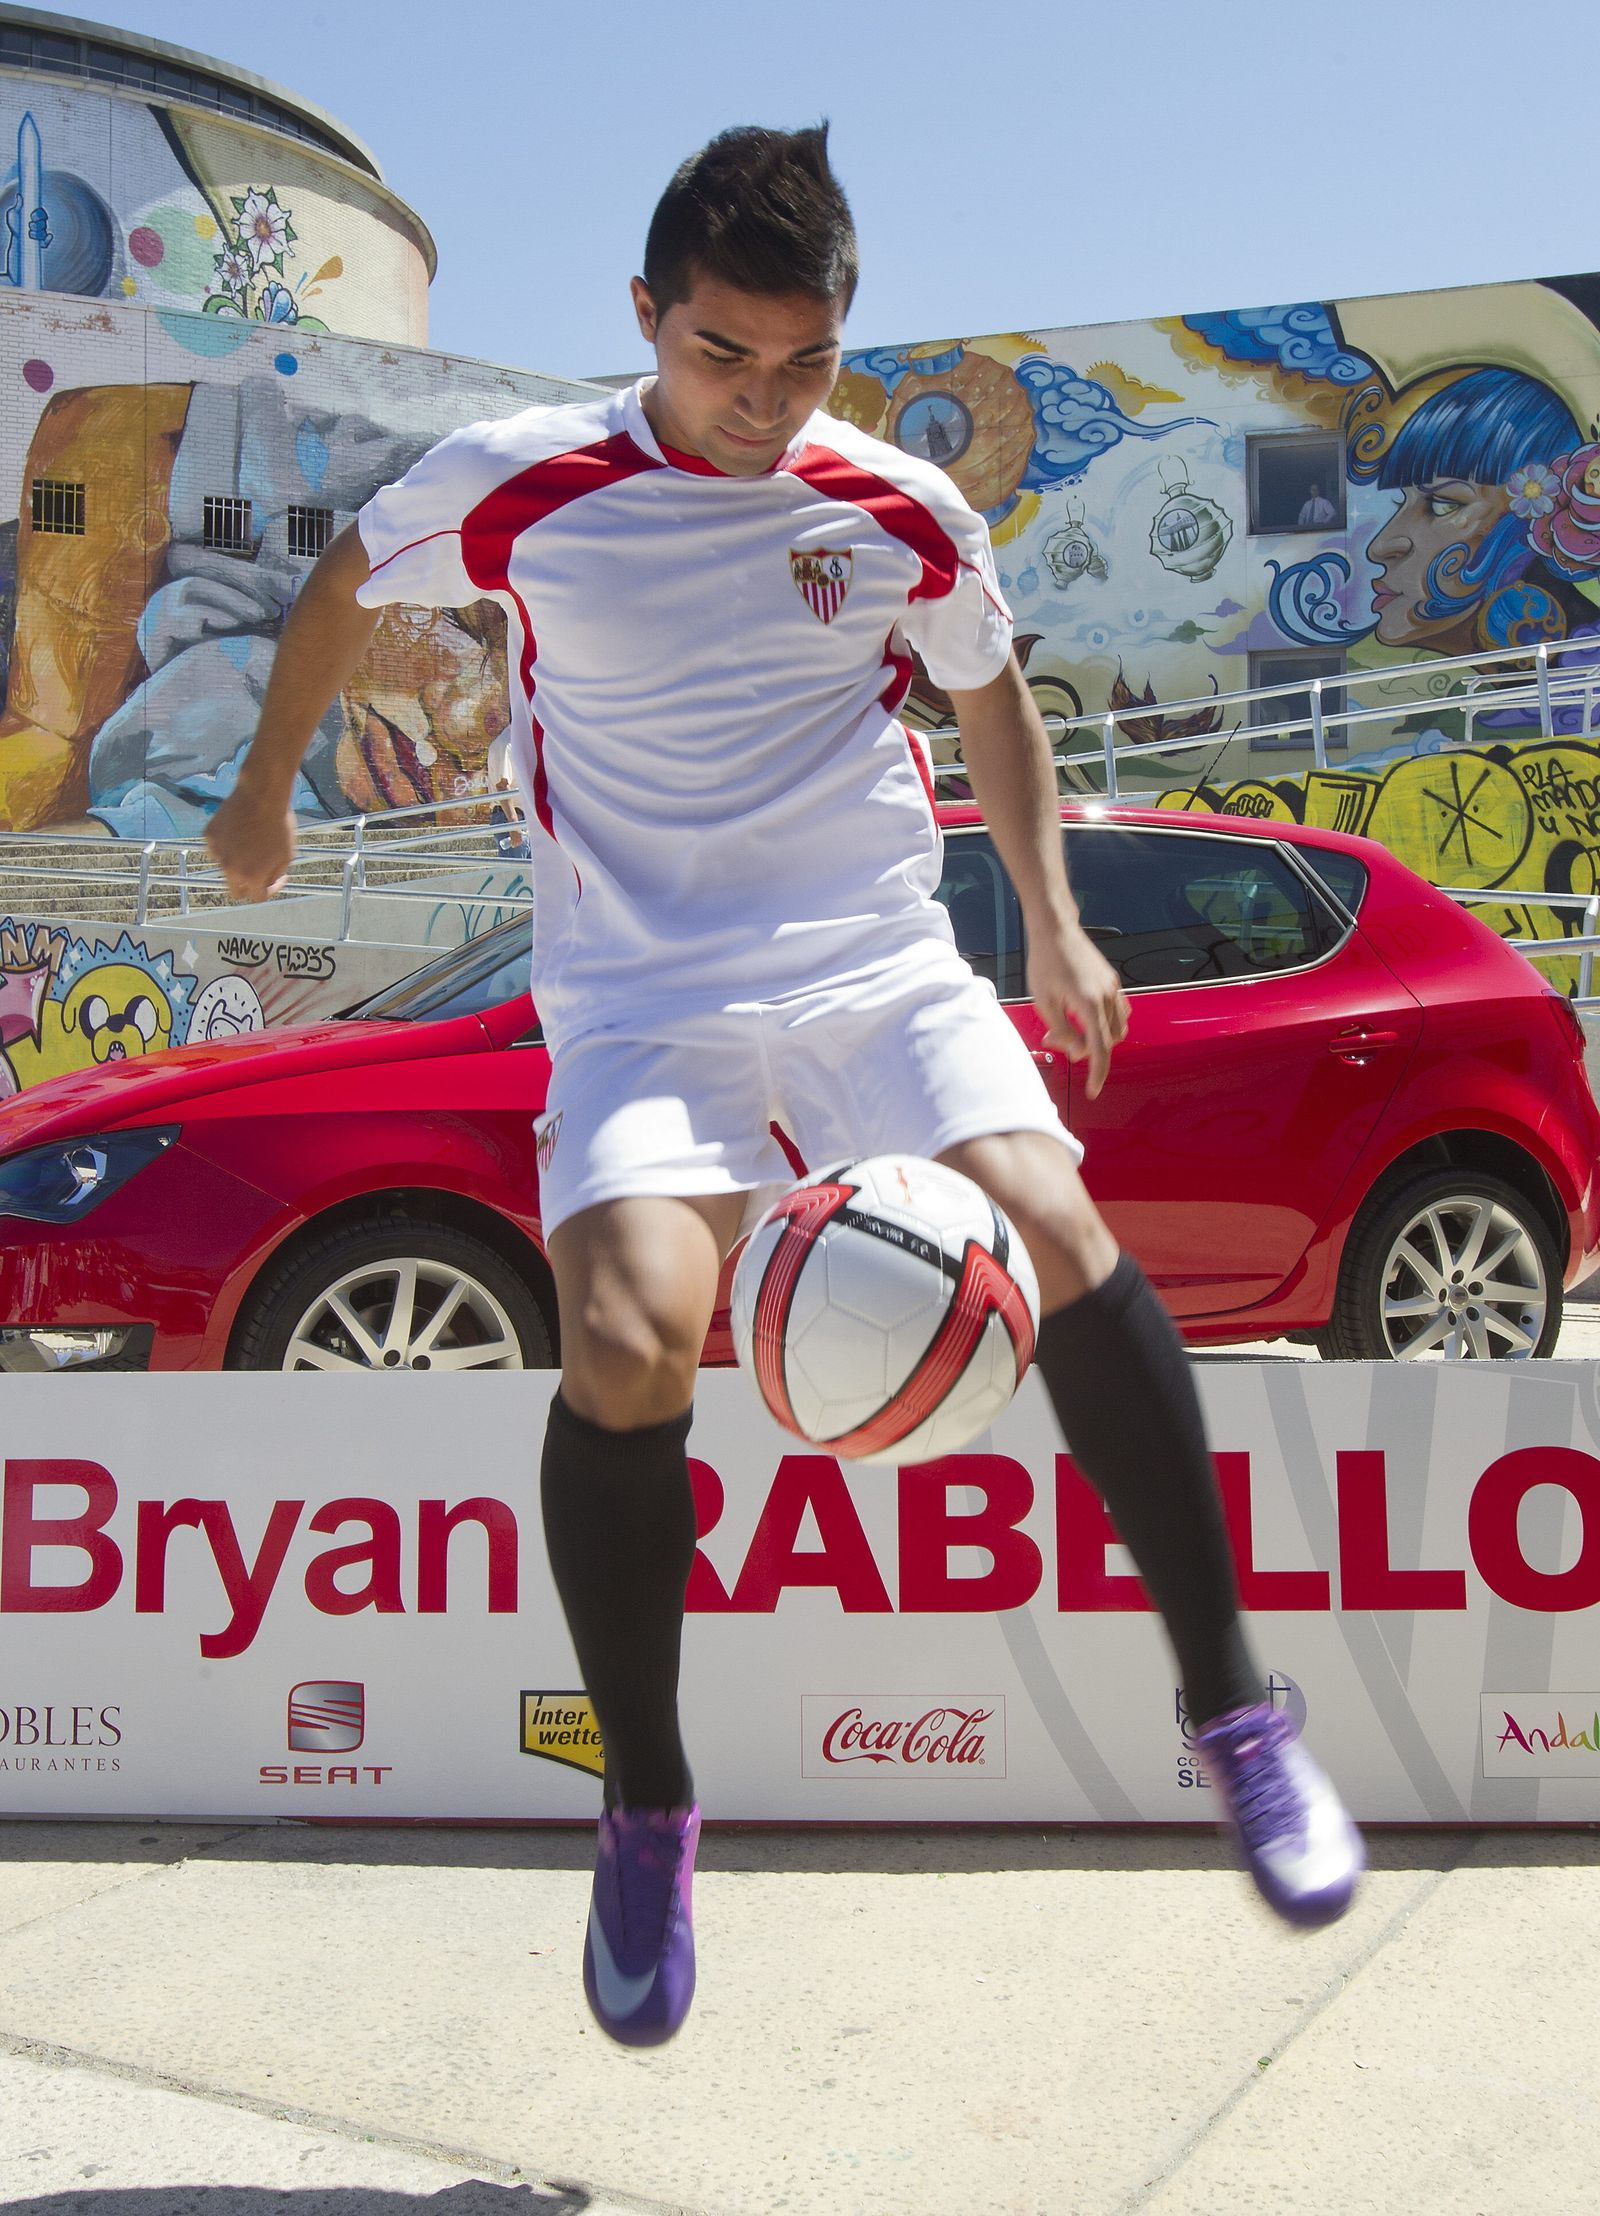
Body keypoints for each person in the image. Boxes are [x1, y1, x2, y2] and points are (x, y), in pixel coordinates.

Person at [206, 124, 1363, 2048]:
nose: (761, 402)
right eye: (722, 355)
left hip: (871, 959)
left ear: (844, 338)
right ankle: (650, 1801)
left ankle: (1236, 1712)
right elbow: (339, 577)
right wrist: (260, 795)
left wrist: (1057, 921)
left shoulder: (899, 503)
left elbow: (985, 682)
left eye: (805, 360)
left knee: (1063, 1227)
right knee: (629, 1335)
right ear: (646, 320)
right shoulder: (523, 484)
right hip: (641, 989)